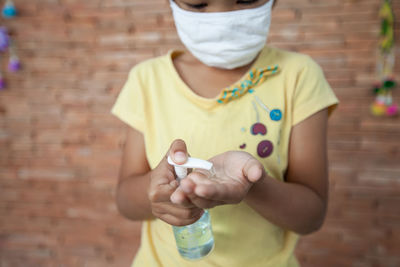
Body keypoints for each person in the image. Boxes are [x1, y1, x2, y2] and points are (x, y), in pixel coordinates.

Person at [111, 0, 339, 266]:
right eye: (197, 3)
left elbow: (311, 215)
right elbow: (126, 201)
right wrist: (156, 193)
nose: (220, 19)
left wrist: (252, 185)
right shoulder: (147, 80)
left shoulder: (299, 76)